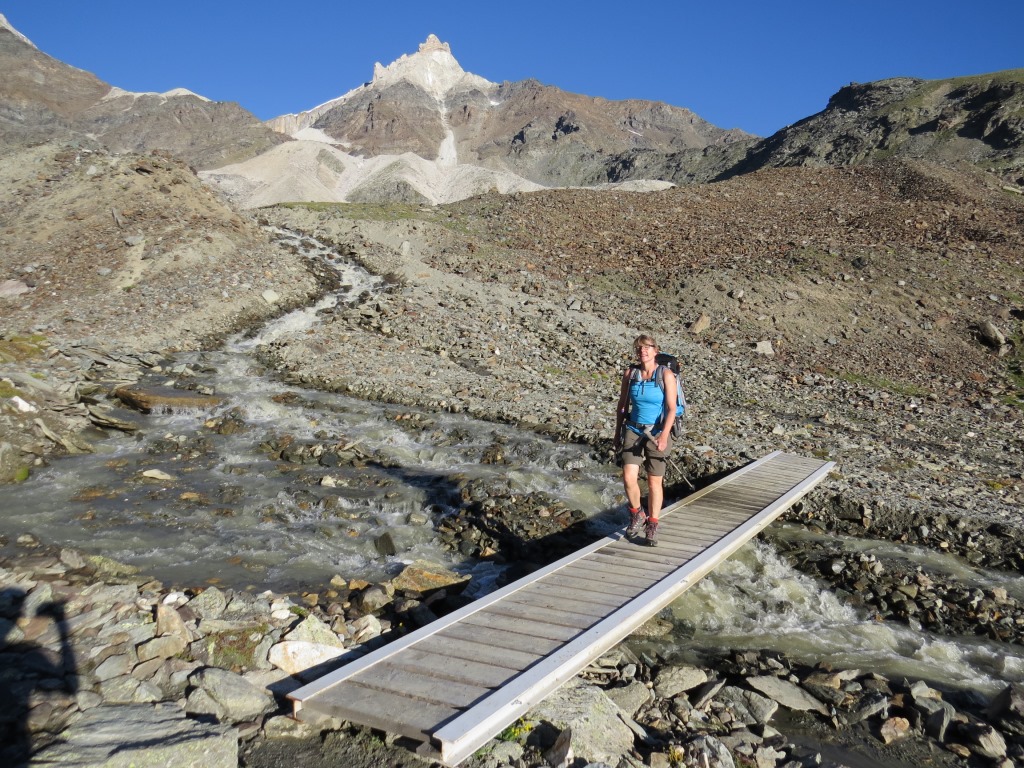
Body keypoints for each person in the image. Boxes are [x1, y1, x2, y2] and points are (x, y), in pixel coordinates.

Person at [613, 334, 677, 546]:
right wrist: (617, 432)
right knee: (628, 477)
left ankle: (653, 523)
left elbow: (671, 408)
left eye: (647, 347)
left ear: (655, 350)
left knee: (653, 480)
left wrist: (664, 436)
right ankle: (637, 513)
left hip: (657, 432)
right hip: (633, 429)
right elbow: (623, 405)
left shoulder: (665, 374)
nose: (643, 351)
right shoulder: (630, 374)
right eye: (640, 348)